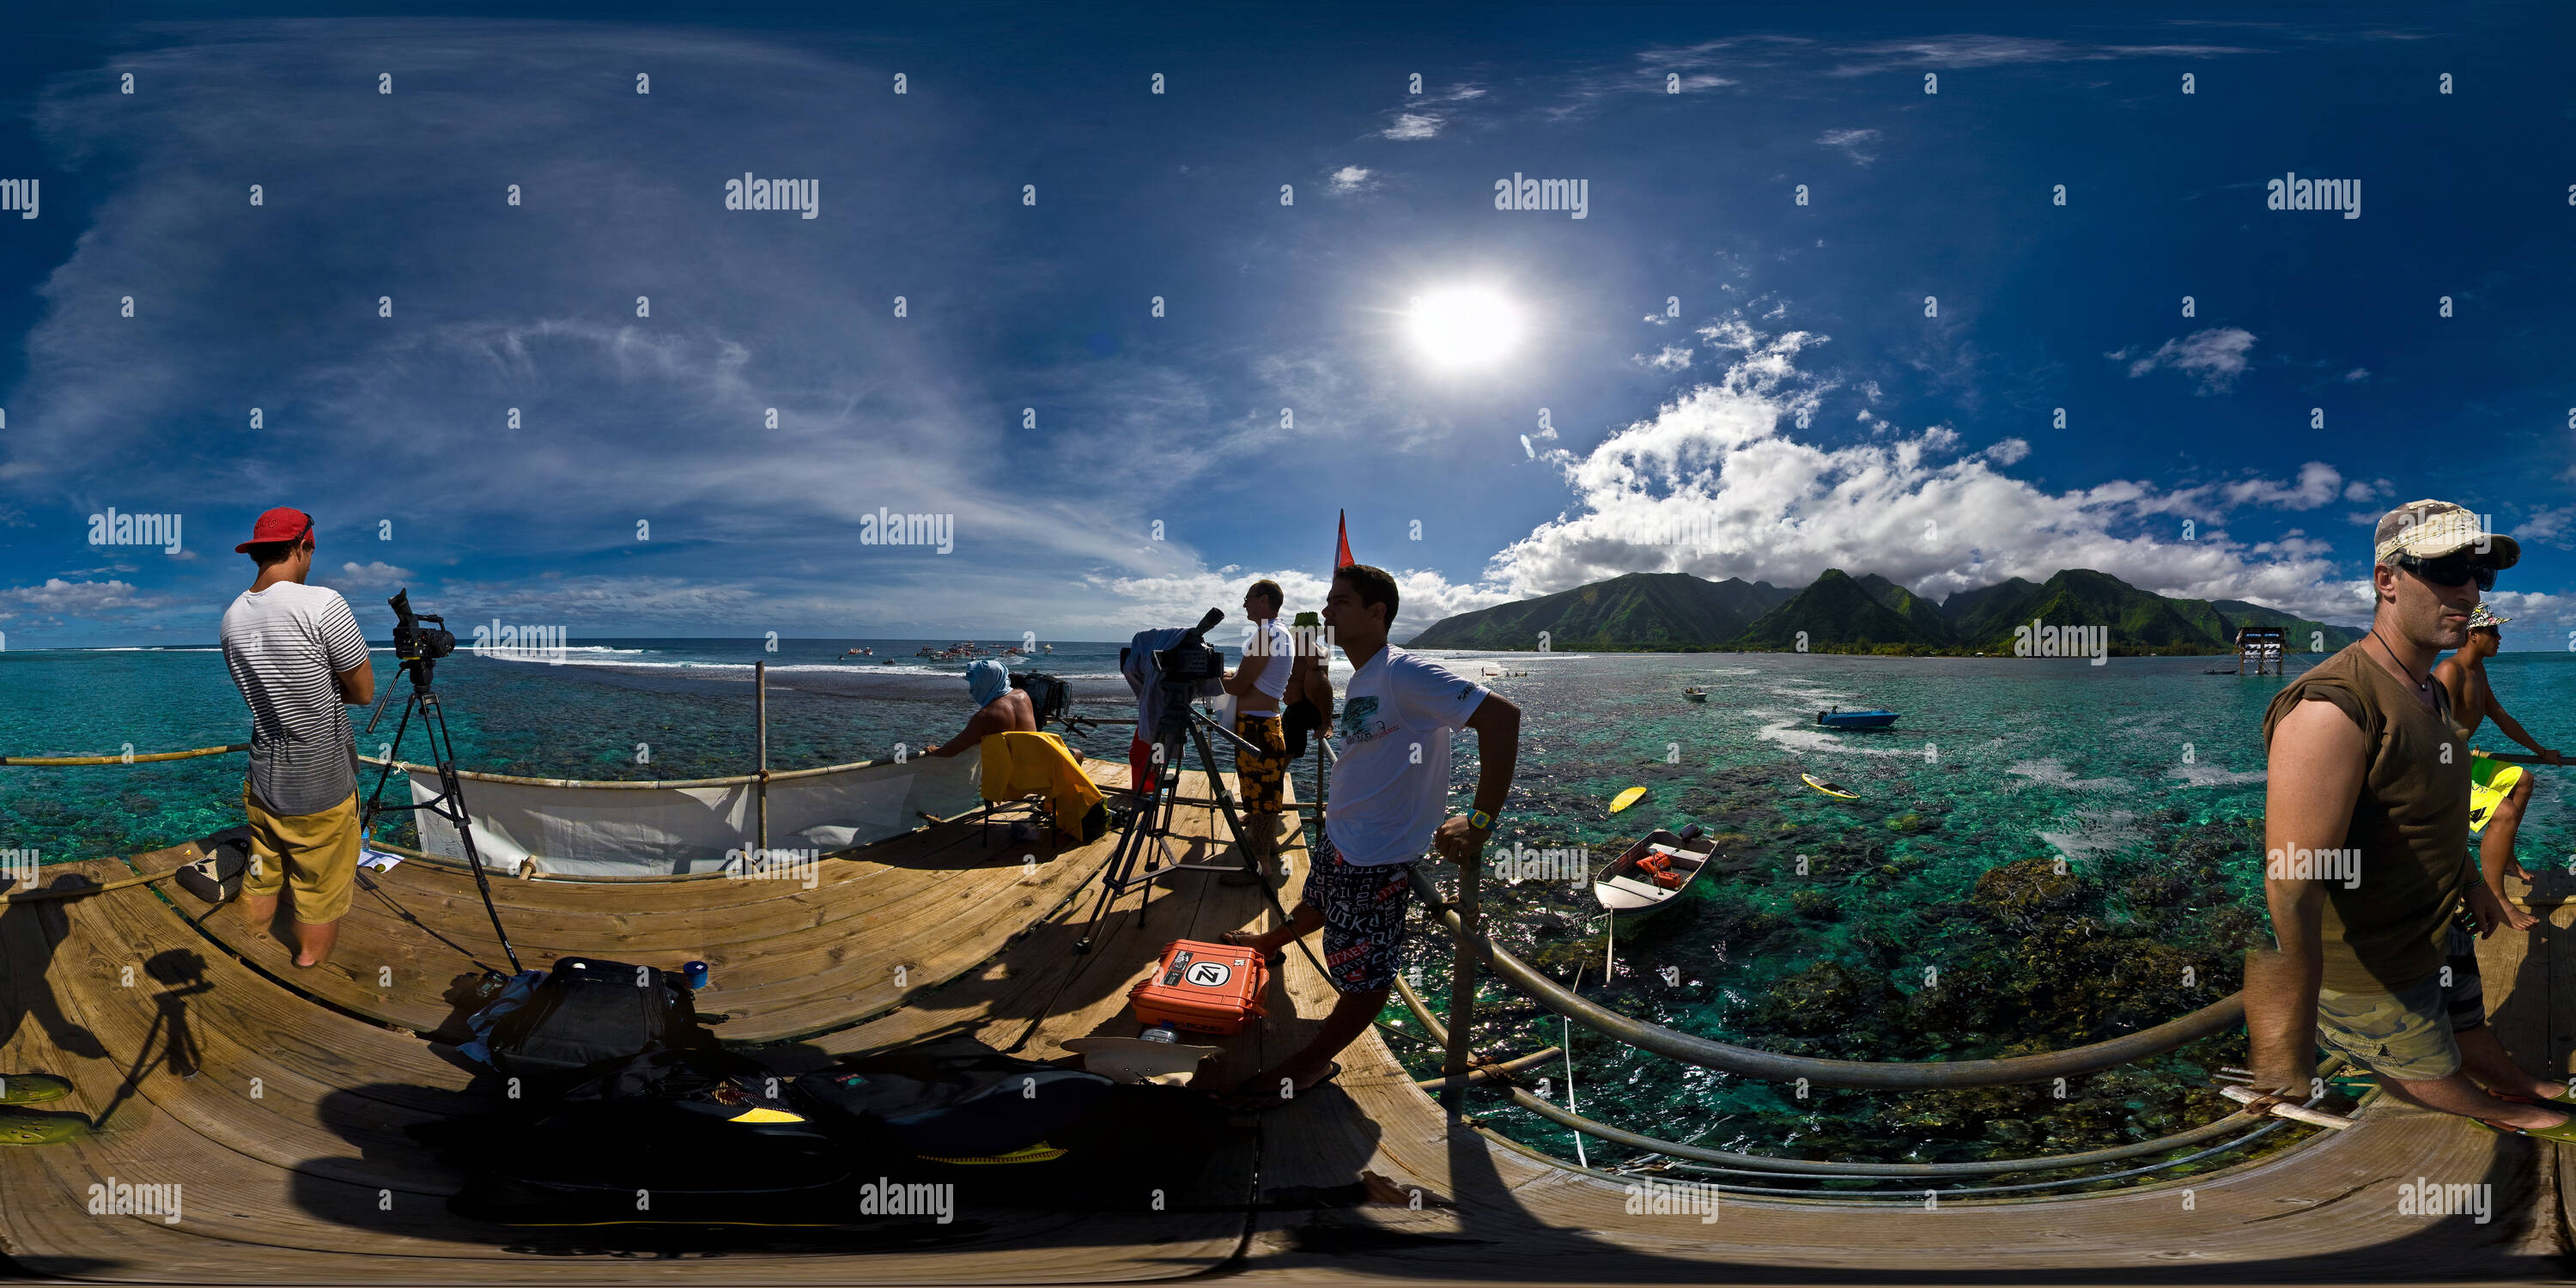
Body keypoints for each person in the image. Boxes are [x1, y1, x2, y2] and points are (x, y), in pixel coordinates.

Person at [2248, 500, 2571, 1139]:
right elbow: (2290, 883)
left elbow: (2433, 805)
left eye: (2480, 573)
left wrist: (2472, 883)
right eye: (2447, 567)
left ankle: (2511, 1080)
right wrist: (2287, 1039)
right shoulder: (2330, 709)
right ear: (2385, 580)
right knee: (2427, 1065)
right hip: (2379, 968)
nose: (2470, 588)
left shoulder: (2434, 690)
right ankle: (2500, 1109)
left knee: (2467, 1022)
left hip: (2438, 926)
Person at [1221, 563, 1521, 1110]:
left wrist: (1478, 821)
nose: (1327, 610)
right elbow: (1327, 720)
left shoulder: (1405, 673)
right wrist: (1310, 669)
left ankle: (1310, 1064)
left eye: (1339, 602)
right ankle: (1270, 944)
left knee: (1364, 976)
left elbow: (1502, 718)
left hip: (1380, 853)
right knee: (1319, 901)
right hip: (1342, 835)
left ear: (1376, 612)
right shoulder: (1364, 674)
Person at [219, 507, 374, 969]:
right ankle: (306, 969)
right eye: (312, 549)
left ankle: (246, 950)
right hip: (319, 781)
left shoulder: (231, 618)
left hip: (263, 776)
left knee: (263, 873)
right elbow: (363, 693)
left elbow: (266, 690)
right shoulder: (323, 603)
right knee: (319, 888)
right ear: (303, 546)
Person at [2434, 604, 2567, 932]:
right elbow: (2436, 738)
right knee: (2503, 813)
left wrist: (2541, 750)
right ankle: (2496, 898)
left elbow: (2501, 717)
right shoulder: (2448, 672)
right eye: (2493, 632)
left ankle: (2505, 858)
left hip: (2462, 758)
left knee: (2524, 779)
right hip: (2440, 768)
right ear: (2473, 634)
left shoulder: (2479, 670)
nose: (2500, 637)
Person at [1218, 580, 1297, 884]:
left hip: (1255, 726)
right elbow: (1249, 679)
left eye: (1248, 598)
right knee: (1265, 795)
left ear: (1264, 600)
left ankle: (1259, 867)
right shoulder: (1281, 633)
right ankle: (1270, 848)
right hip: (1267, 722)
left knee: (1261, 799)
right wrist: (1229, 676)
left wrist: (1209, 677)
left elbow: (1239, 687)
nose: (1244, 604)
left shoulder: (1266, 635)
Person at [924, 659, 1036, 757]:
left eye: (975, 682)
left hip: (1007, 777)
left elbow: (951, 750)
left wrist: (936, 751)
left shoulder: (985, 715)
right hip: (1035, 768)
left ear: (984, 683)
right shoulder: (1023, 696)